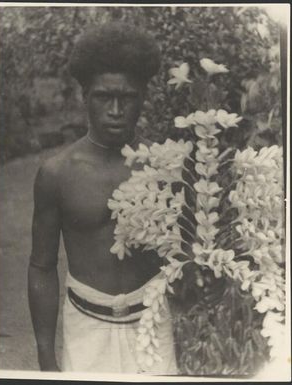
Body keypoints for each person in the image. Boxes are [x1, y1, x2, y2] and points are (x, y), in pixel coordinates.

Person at [28, 22, 224, 375]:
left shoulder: (167, 167)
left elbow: (192, 257)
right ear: (84, 96)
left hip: (152, 325)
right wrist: (45, 353)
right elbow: (41, 266)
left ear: (143, 98)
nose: (116, 109)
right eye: (104, 96)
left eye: (128, 97)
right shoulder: (57, 173)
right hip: (85, 325)